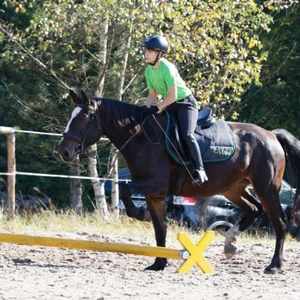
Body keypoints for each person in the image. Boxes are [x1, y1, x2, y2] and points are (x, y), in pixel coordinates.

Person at [142, 34, 208, 184]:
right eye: (145, 51)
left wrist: (157, 108)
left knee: (187, 134)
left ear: (160, 53)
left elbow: (173, 95)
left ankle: (200, 170)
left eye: (150, 51)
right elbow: (152, 94)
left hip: (185, 104)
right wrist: (144, 111)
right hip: (170, 105)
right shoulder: (148, 71)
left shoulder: (167, 68)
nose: (146, 54)